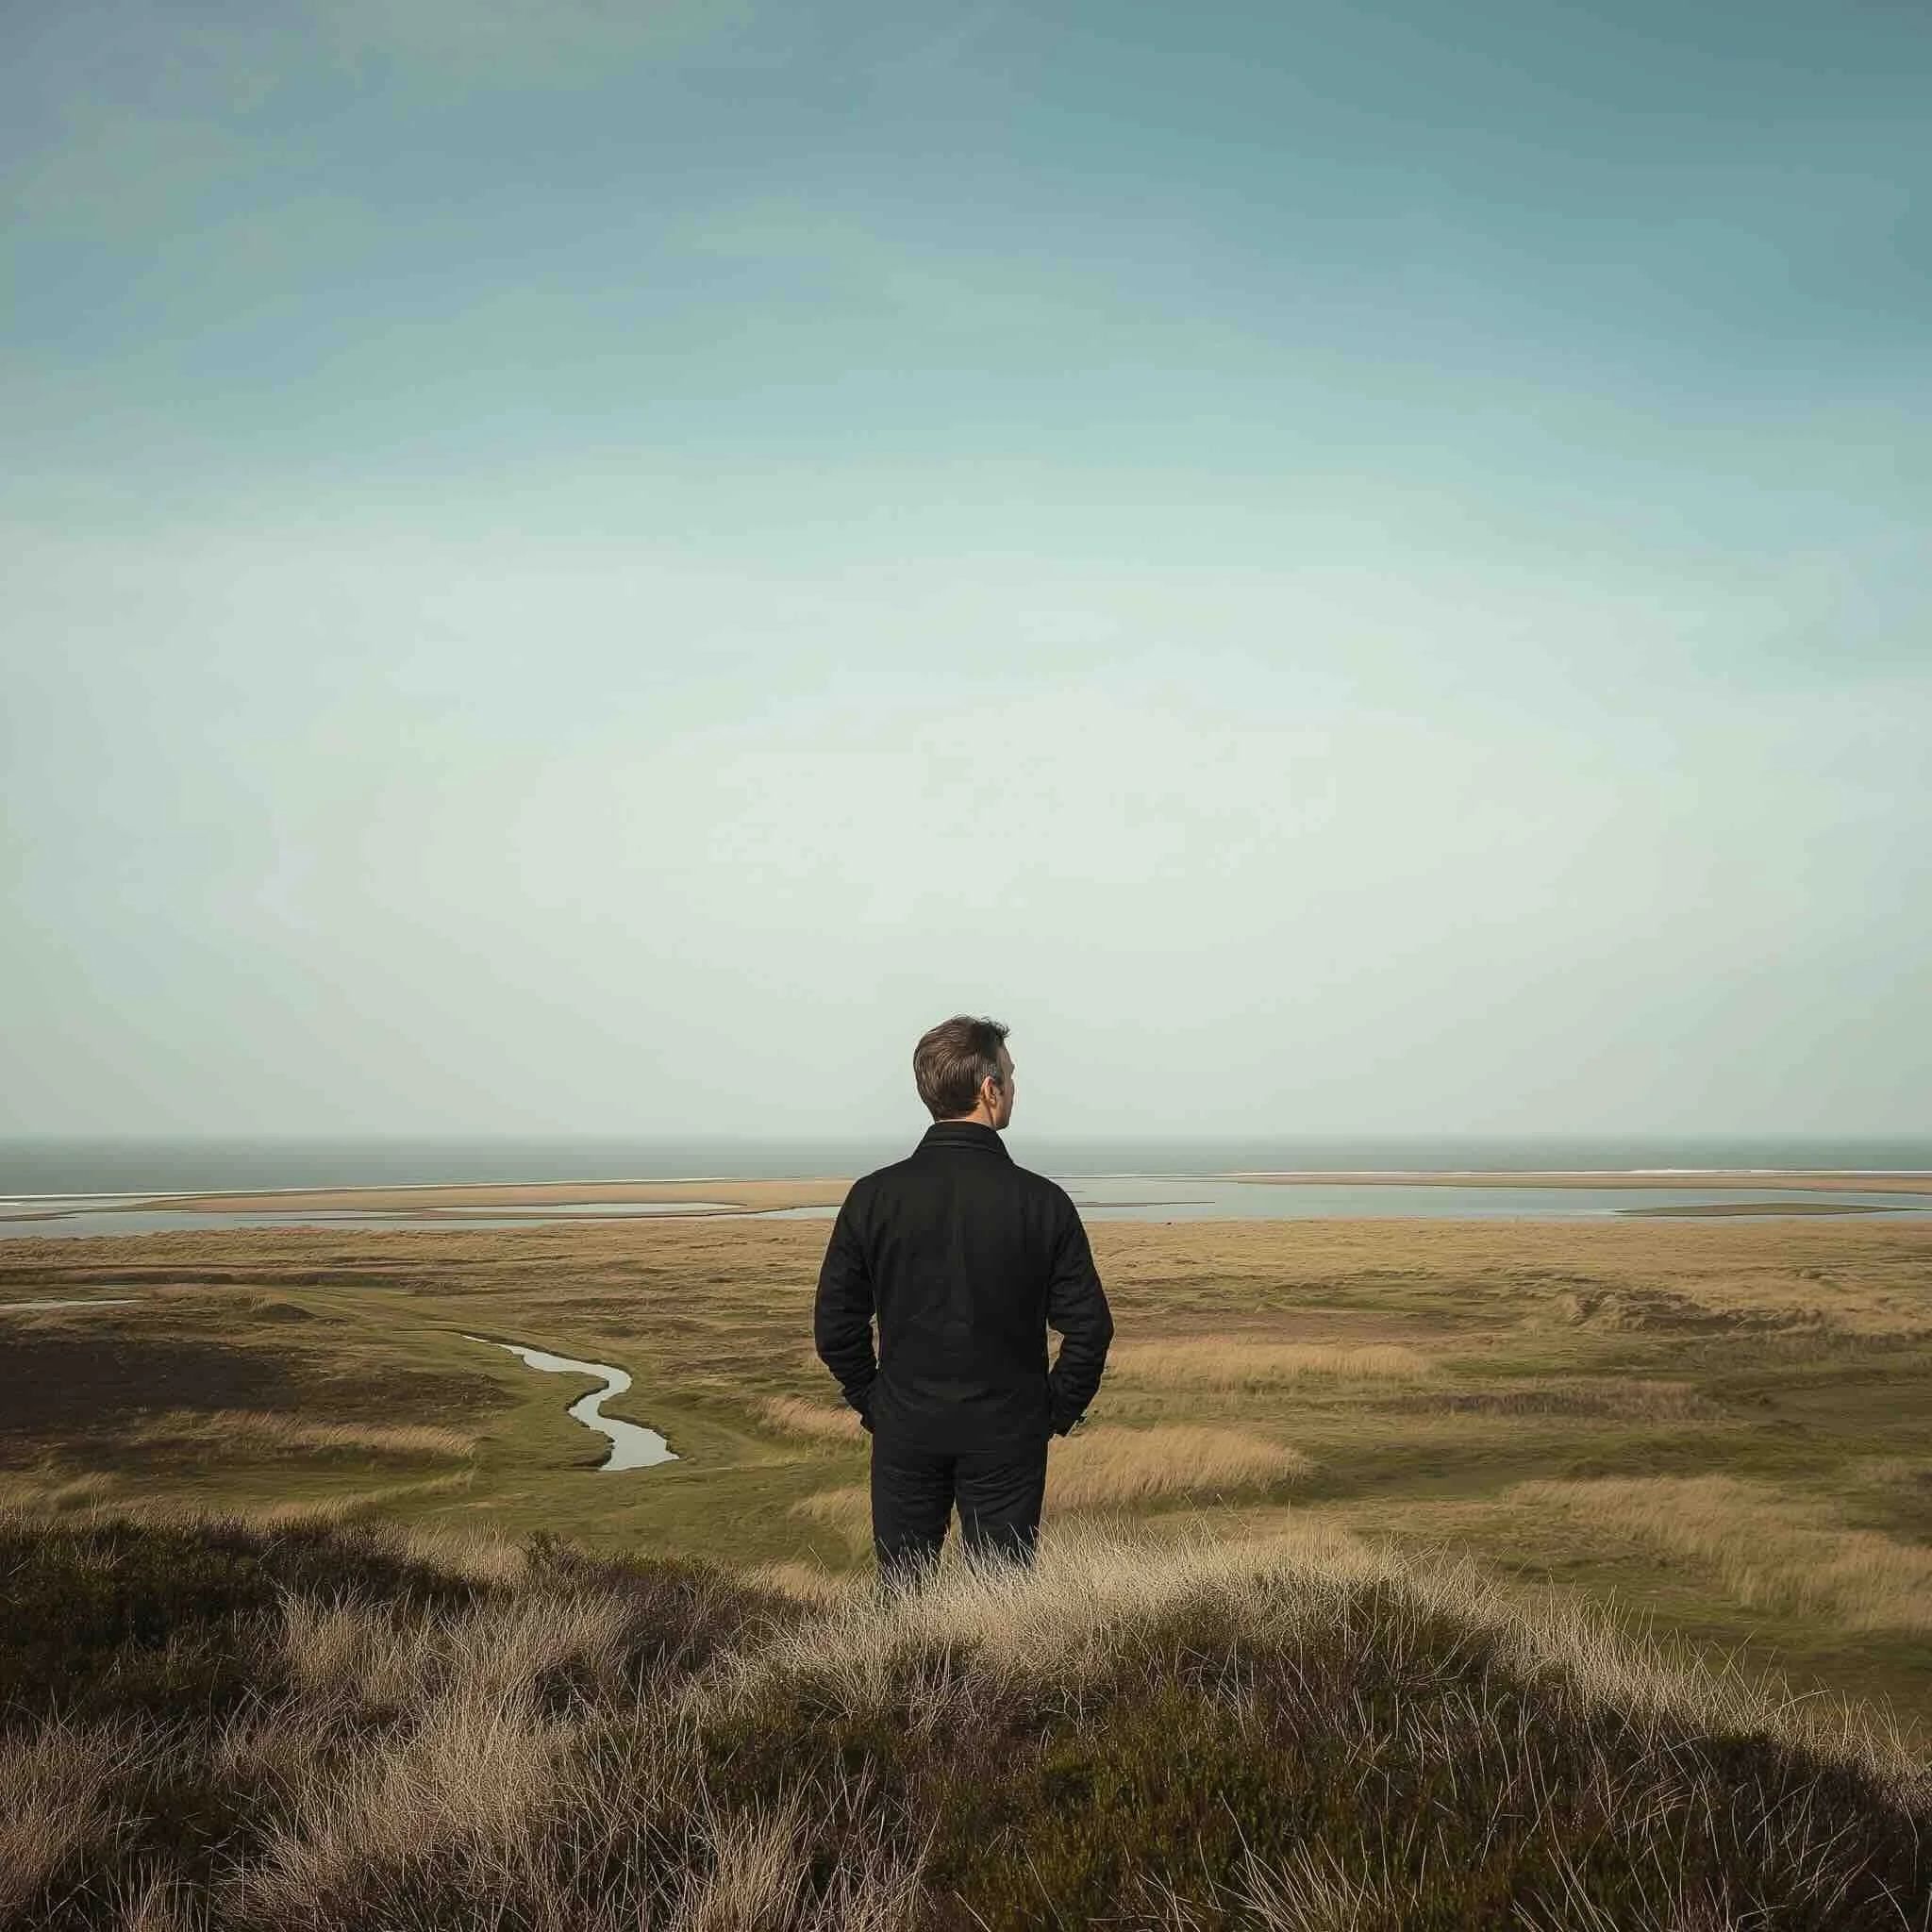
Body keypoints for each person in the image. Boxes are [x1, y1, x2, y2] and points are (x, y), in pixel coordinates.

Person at [813, 1014, 1114, 1588]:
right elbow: (1090, 1331)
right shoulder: (1043, 1203)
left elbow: (835, 1325)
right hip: (1009, 1433)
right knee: (1001, 1607)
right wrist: (1052, 1413)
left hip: (906, 1429)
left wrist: (875, 1402)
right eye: (1010, 1075)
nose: (1015, 1088)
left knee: (903, 1601)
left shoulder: (874, 1197)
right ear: (988, 1089)